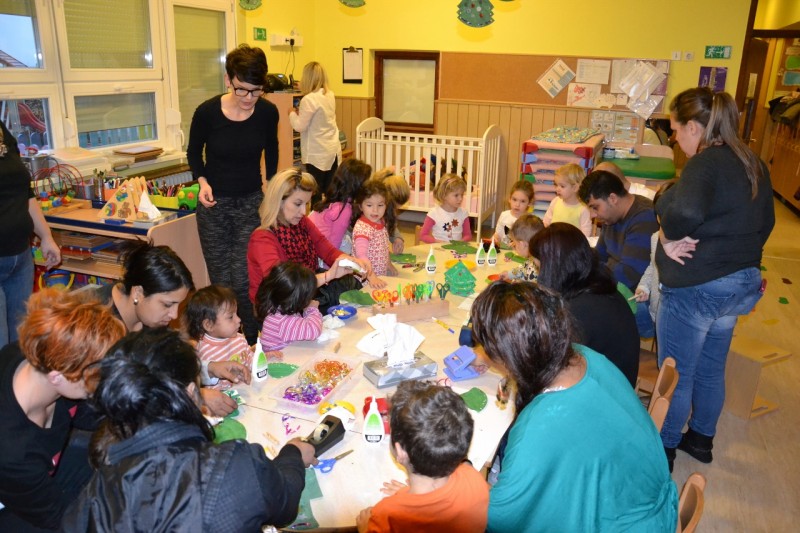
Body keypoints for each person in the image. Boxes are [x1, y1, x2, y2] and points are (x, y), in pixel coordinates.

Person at [61, 328, 317, 532]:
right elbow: (284, 505)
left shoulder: (92, 495)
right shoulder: (232, 466)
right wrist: (293, 454)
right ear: (193, 393)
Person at [471, 282, 677, 533]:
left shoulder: (541, 425)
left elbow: (499, 518)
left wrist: (460, 474)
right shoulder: (583, 356)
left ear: (509, 357)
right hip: (640, 498)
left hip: (628, 523)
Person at [657, 88, 774, 471]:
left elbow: (684, 214)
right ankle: (701, 439)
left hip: (698, 287)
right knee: (710, 367)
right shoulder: (753, 161)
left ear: (694, 127)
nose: (675, 139)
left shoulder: (704, 163)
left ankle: (664, 446)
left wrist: (667, 233)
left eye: (676, 130)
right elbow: (766, 223)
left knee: (677, 371)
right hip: (739, 285)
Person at [0, 289, 125, 532]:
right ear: (58, 377)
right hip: (12, 503)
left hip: (39, 474)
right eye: (96, 378)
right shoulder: (12, 450)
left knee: (121, 470)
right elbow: (58, 518)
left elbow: (91, 414)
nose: (103, 384)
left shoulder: (46, 356)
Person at [187, 44, 279, 345]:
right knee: (222, 283)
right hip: (214, 206)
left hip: (250, 203)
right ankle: (225, 344)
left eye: (256, 91)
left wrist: (271, 187)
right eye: (242, 90)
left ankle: (251, 340)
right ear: (228, 79)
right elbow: (193, 153)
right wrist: (202, 182)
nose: (249, 98)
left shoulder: (267, 112)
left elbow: (272, 151)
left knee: (244, 279)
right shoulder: (207, 112)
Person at [92, 240, 245, 416]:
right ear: (138, 293)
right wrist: (195, 396)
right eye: (167, 305)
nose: (174, 315)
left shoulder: (148, 316)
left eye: (178, 305)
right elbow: (119, 396)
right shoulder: (98, 330)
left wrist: (210, 368)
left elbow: (161, 371)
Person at [356, 380, 489, 533]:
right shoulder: (475, 479)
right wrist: (409, 495)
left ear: (400, 452)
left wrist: (365, 528)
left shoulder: (386, 515)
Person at [247, 168, 373, 314]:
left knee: (350, 291)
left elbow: (326, 249)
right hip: (276, 307)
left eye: (306, 204)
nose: (303, 211)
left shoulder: (301, 222)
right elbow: (284, 285)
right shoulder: (262, 239)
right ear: (278, 201)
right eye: (298, 204)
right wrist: (328, 276)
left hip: (303, 290)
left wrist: (350, 261)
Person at [531, 222, 640, 386]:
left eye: (539, 268)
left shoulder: (579, 311)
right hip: (616, 385)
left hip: (605, 393)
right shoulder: (595, 287)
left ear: (553, 269)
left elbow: (552, 368)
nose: (539, 277)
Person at [0, 120, 61, 349]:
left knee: (22, 343)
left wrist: (46, 236)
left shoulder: (3, 132)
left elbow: (25, 193)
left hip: (21, 258)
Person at [579, 169, 659, 290]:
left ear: (612, 198)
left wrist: (586, 284)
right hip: (612, 284)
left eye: (595, 207)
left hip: (631, 293)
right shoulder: (611, 216)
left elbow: (628, 274)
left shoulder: (645, 218)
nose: (592, 215)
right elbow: (599, 256)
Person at [185, 285, 264, 390]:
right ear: (209, 325)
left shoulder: (238, 338)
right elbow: (212, 392)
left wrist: (261, 359)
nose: (239, 319)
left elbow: (249, 358)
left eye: (236, 314)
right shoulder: (205, 353)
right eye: (230, 317)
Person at [289, 61, 342, 206]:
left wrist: (291, 113)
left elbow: (299, 126)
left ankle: (316, 219)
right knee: (329, 192)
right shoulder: (329, 94)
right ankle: (330, 218)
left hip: (317, 153)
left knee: (315, 193)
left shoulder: (309, 99)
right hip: (331, 150)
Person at [633, 182, 675, 339]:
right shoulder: (655, 237)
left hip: (674, 317)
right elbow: (652, 266)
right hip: (655, 310)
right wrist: (643, 287)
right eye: (659, 213)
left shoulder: (688, 244)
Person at [308, 158, 372, 254]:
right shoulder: (343, 210)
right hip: (320, 254)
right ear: (356, 185)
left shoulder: (333, 200)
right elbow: (333, 246)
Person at [255, 262, 323, 352]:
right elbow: (314, 330)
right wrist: (312, 309)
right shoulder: (282, 321)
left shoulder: (278, 308)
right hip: (279, 360)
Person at [352, 178, 397, 283]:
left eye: (380, 205)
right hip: (365, 280)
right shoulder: (362, 229)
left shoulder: (381, 222)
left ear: (386, 205)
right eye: (369, 205)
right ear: (360, 206)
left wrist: (389, 264)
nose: (375, 210)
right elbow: (361, 256)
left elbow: (384, 247)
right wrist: (371, 277)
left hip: (379, 276)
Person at [543, 163, 592, 237]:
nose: (557, 189)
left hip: (572, 243)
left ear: (575, 188)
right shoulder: (555, 201)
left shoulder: (583, 209)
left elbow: (586, 233)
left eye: (562, 186)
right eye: (556, 185)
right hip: (553, 240)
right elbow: (546, 222)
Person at [419, 173, 472, 243]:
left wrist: (460, 242)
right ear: (444, 195)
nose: (460, 198)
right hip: (438, 249)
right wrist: (438, 242)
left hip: (456, 249)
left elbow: (468, 235)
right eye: (456, 195)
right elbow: (423, 235)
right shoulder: (434, 213)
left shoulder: (463, 213)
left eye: (462, 195)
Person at [374, 168, 412, 254]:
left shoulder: (387, 210)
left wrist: (397, 238)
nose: (394, 210)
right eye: (393, 207)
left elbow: (390, 225)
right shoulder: (372, 214)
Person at [501, 213, 543, 282]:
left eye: (515, 244)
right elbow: (524, 268)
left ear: (522, 244)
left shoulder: (536, 271)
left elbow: (527, 287)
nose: (514, 247)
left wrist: (514, 283)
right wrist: (510, 274)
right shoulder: (534, 257)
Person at [493, 180, 535, 247]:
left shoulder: (530, 221)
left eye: (522, 201)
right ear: (509, 199)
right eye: (514, 199)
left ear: (529, 203)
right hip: (503, 250)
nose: (517, 204)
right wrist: (495, 239)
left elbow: (530, 243)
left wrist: (518, 244)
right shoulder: (504, 215)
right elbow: (498, 234)